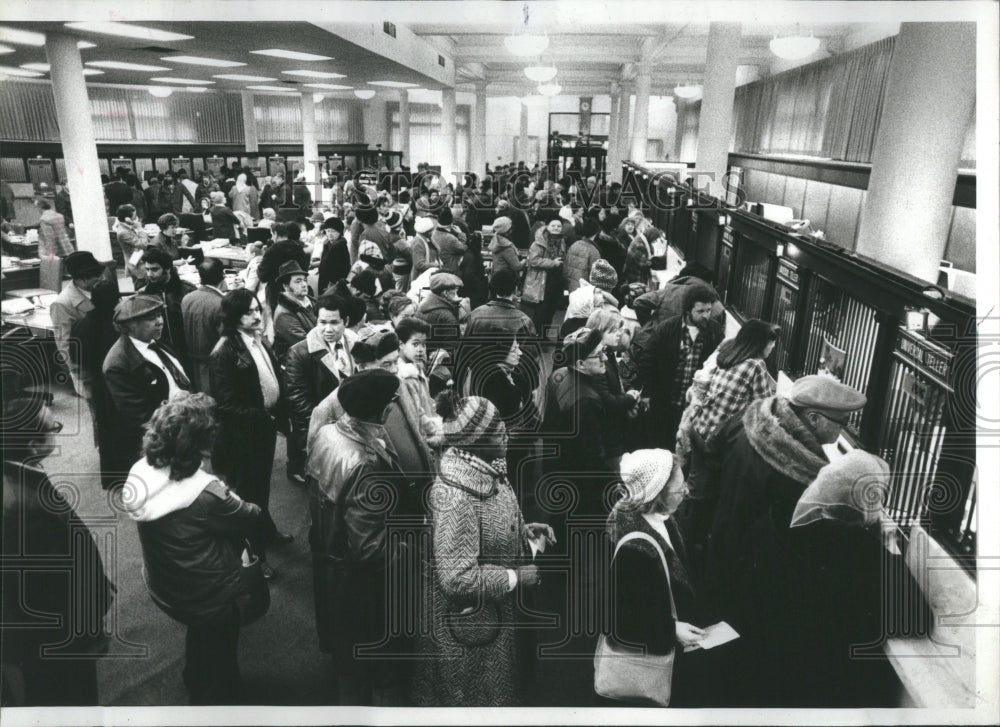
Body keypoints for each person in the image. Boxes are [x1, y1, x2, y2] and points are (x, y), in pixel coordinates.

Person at [705, 374, 866, 705]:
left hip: (720, 540)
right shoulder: (794, 471)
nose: (843, 431)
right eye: (842, 422)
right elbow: (802, 531)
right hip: (750, 568)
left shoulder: (747, 419)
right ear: (813, 418)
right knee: (743, 649)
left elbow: (713, 451)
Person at [411, 393, 553, 706]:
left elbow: (487, 525)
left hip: (493, 615)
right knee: (478, 700)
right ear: (474, 443)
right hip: (472, 628)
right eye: (498, 434)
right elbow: (456, 577)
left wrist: (520, 530)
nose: (507, 435)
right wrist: (515, 577)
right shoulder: (457, 498)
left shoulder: (489, 466)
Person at [123, 393, 261, 705]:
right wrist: (230, 490)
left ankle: (195, 675)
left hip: (166, 580)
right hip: (208, 590)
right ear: (200, 443)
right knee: (220, 648)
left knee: (201, 636)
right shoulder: (207, 493)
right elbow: (250, 515)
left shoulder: (139, 471)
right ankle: (213, 701)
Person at [778, 451, 933, 707]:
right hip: (836, 684)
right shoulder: (856, 546)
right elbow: (917, 619)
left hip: (790, 670)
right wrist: (890, 546)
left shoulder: (794, 524)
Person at [307, 369, 411, 705]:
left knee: (348, 655)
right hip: (363, 585)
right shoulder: (365, 464)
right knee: (376, 663)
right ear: (382, 410)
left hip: (332, 561)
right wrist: (413, 546)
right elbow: (370, 549)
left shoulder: (327, 434)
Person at [1, 398, 114, 706]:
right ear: (34, 445)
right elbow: (53, 588)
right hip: (61, 641)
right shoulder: (27, 507)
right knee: (75, 699)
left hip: (46, 639)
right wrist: (88, 627)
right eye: (54, 427)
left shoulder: (20, 478)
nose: (58, 432)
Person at [604, 448, 715, 708]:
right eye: (679, 488)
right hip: (653, 662)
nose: (686, 490)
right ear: (657, 494)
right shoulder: (633, 549)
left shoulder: (660, 518)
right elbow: (621, 620)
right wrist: (672, 629)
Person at [675, 320, 778, 571]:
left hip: (699, 428)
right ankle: (693, 549)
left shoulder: (728, 353)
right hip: (717, 440)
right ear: (761, 343)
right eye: (771, 343)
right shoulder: (755, 365)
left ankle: (683, 539)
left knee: (695, 486)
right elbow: (765, 405)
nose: (772, 348)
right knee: (714, 493)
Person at [209, 289, 293, 578]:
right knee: (249, 494)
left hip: (263, 429)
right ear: (233, 316)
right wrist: (264, 418)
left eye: (258, 309)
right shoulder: (224, 351)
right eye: (248, 312)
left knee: (262, 487)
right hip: (244, 434)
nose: (257, 315)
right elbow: (226, 405)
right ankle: (255, 553)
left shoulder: (257, 340)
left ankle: (266, 531)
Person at [102, 295, 193, 489]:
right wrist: (176, 410)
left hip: (186, 428)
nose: (160, 321)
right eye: (151, 318)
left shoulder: (160, 342)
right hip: (165, 440)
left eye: (159, 315)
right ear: (130, 326)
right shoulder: (118, 364)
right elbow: (139, 417)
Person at [633, 285, 724, 450]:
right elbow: (648, 360)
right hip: (665, 399)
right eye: (701, 311)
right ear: (688, 311)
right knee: (660, 443)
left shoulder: (714, 332)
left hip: (691, 405)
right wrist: (646, 393)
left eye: (709, 310)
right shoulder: (666, 329)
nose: (706, 316)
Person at [284, 292, 355, 486]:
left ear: (346, 321)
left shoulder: (355, 344)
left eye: (334, 322)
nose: (327, 329)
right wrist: (325, 429)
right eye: (322, 322)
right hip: (322, 430)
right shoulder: (299, 352)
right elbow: (297, 399)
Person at [585, 308, 642, 461]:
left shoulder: (608, 352)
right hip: (607, 434)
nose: (619, 334)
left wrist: (628, 391)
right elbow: (607, 400)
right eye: (614, 330)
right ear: (599, 331)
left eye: (620, 330)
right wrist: (630, 399)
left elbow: (616, 381)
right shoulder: (595, 361)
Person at [49, 250, 105, 398]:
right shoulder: (62, 304)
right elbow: (64, 344)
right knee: (99, 410)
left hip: (106, 359)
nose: (102, 278)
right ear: (81, 279)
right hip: (87, 367)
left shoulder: (99, 288)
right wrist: (80, 373)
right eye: (96, 276)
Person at [137, 247, 197, 366]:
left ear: (167, 269)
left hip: (188, 352)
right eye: (147, 269)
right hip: (160, 354)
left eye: (154, 269)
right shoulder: (143, 294)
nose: (149, 274)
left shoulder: (188, 291)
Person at [634, 261, 727, 329]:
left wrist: (650, 327)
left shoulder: (669, 291)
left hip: (659, 347)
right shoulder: (716, 306)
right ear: (709, 283)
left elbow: (639, 302)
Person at [180, 258, 227, 393]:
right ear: (222, 276)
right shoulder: (221, 303)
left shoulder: (187, 298)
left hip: (192, 362)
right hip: (215, 366)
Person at [520, 219, 565, 340]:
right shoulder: (539, 243)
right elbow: (533, 260)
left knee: (551, 309)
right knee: (541, 311)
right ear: (547, 227)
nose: (556, 228)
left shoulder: (562, 241)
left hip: (556, 279)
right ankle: (535, 337)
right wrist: (553, 263)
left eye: (559, 226)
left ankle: (544, 336)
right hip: (542, 280)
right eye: (553, 225)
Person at [271, 260, 317, 361]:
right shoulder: (284, 314)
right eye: (298, 281)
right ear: (285, 286)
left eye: (305, 280)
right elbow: (306, 345)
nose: (304, 284)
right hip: (296, 364)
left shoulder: (312, 302)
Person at [416, 271, 464, 360]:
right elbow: (452, 350)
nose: (458, 295)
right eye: (455, 291)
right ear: (445, 293)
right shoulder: (447, 317)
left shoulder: (421, 307)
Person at [113, 203, 150, 284]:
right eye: (135, 217)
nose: (136, 218)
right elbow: (143, 244)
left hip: (135, 261)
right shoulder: (123, 232)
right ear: (127, 219)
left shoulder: (127, 227)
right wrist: (139, 228)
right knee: (137, 287)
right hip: (137, 265)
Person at [316, 216, 350, 295]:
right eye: (328, 231)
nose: (330, 234)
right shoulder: (327, 244)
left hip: (333, 286)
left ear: (340, 232)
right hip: (324, 281)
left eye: (333, 231)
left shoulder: (340, 247)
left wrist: (333, 286)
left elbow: (343, 270)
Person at [432, 206, 466, 275]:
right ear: (451, 223)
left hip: (437, 270)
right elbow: (463, 248)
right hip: (450, 272)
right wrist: (461, 234)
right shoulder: (450, 239)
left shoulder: (432, 234)